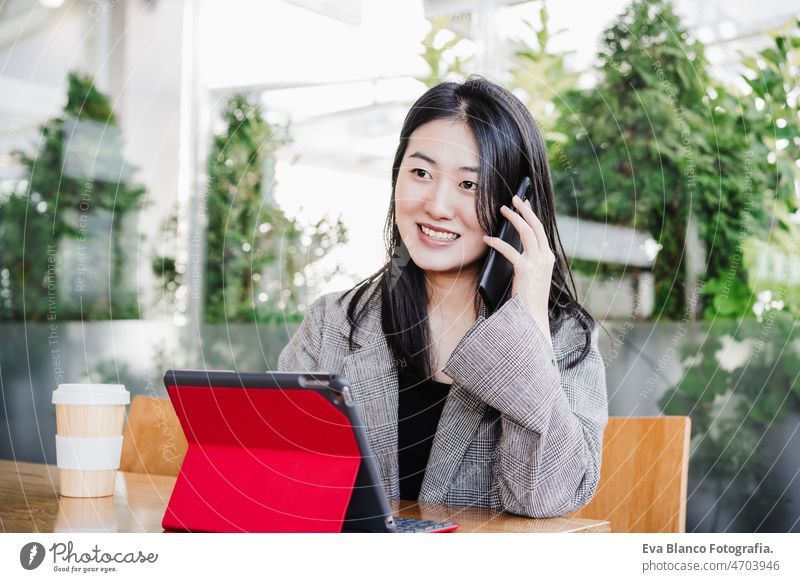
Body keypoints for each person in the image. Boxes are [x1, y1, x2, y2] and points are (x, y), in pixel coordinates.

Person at [278, 76, 608, 519]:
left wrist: (526, 327)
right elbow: (281, 479)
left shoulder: (564, 339)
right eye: (421, 173)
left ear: (518, 208)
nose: (436, 204)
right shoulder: (332, 325)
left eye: (469, 185)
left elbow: (546, 499)